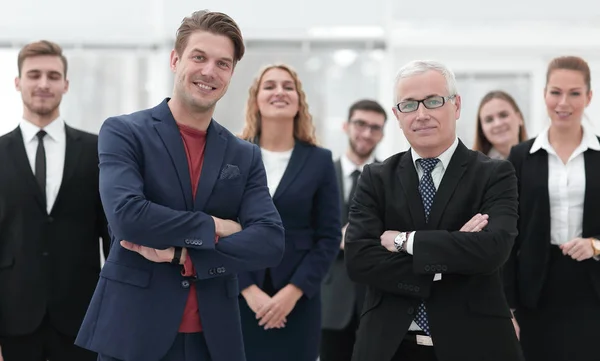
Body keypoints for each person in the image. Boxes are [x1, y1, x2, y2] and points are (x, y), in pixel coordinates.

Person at [74, 11, 285, 361]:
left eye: (223, 63)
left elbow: (270, 241)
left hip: (214, 339)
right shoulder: (124, 132)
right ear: (175, 60)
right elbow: (128, 217)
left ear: (231, 73)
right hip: (133, 332)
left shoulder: (243, 154)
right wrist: (216, 226)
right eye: (199, 57)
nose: (209, 71)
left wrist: (183, 255)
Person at [344, 60, 524, 361]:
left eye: (433, 101)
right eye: (409, 105)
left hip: (476, 343)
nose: (422, 114)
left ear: (455, 105)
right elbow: (359, 260)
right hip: (389, 346)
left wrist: (405, 242)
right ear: (397, 116)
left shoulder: (495, 174)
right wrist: (451, 257)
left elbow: (493, 249)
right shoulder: (375, 177)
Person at [0, 40, 110, 361]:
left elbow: (112, 237)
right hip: (13, 320)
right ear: (18, 82)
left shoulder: (98, 150)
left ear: (66, 84)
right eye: (34, 75)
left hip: (83, 320)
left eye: (52, 75)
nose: (43, 84)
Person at [238, 64, 341, 361]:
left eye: (288, 86)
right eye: (270, 86)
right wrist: (247, 290)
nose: (279, 92)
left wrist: (292, 293)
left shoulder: (320, 160)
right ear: (256, 99)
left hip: (298, 301)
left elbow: (329, 236)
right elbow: (219, 232)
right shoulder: (234, 154)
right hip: (241, 298)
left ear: (299, 101)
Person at [504, 55, 600, 361]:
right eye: (556, 92)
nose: (563, 102)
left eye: (574, 93)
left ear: (588, 97)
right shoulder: (520, 157)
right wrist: (506, 305)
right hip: (536, 289)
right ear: (544, 94)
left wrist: (596, 245)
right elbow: (508, 235)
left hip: (592, 287)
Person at [320, 99, 386, 361]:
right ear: (346, 126)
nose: (367, 133)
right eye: (360, 124)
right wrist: (336, 238)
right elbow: (301, 231)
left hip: (376, 301)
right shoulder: (322, 174)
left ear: (382, 133)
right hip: (328, 300)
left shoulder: (390, 178)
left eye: (375, 127)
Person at [473, 90, 528, 159]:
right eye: (489, 120)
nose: (498, 124)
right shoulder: (474, 167)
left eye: (503, 115)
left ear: (519, 118)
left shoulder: (541, 158)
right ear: (481, 128)